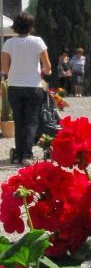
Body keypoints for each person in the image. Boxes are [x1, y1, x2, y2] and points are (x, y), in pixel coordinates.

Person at [0, 12, 51, 166]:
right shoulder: (38, 41)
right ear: (31, 26)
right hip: (33, 86)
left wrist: (15, 73)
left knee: (19, 120)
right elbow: (47, 67)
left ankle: (20, 152)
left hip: (15, 86)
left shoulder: (9, 43)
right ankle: (27, 155)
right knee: (31, 121)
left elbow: (4, 68)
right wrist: (43, 72)